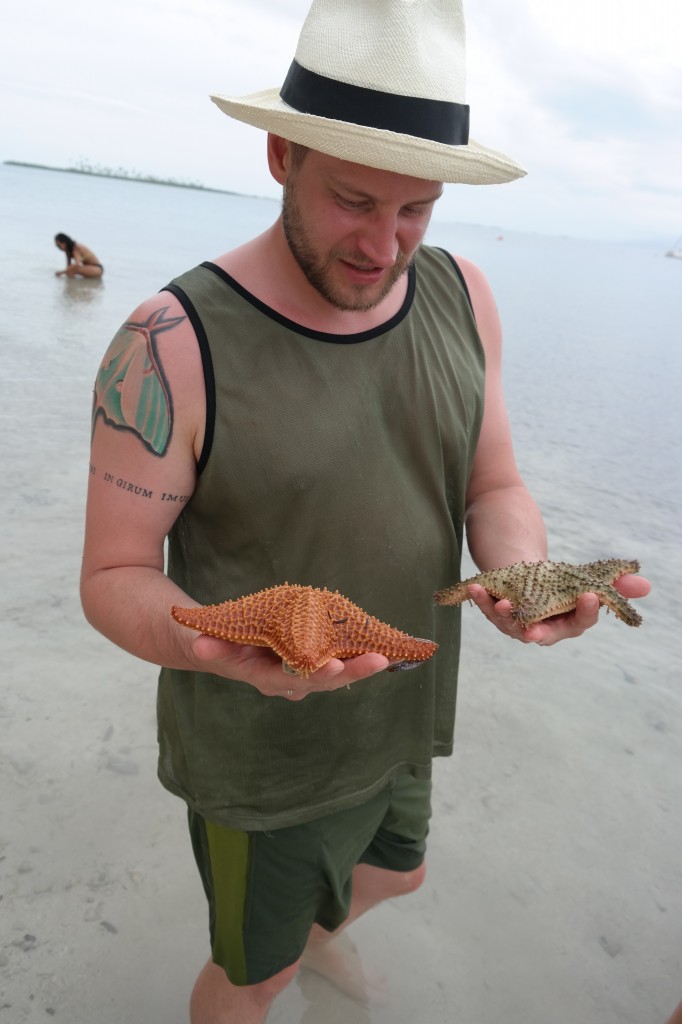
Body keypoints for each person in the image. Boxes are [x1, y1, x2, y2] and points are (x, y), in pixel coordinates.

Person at [80, 2, 649, 1022]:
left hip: (403, 711)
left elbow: (492, 484)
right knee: (246, 977)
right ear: (280, 153)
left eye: (416, 209)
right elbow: (113, 574)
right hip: (262, 761)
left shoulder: (462, 293)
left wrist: (519, 581)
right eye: (352, 199)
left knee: (401, 874)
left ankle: (320, 945)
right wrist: (214, 646)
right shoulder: (168, 341)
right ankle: (281, 968)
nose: (383, 245)